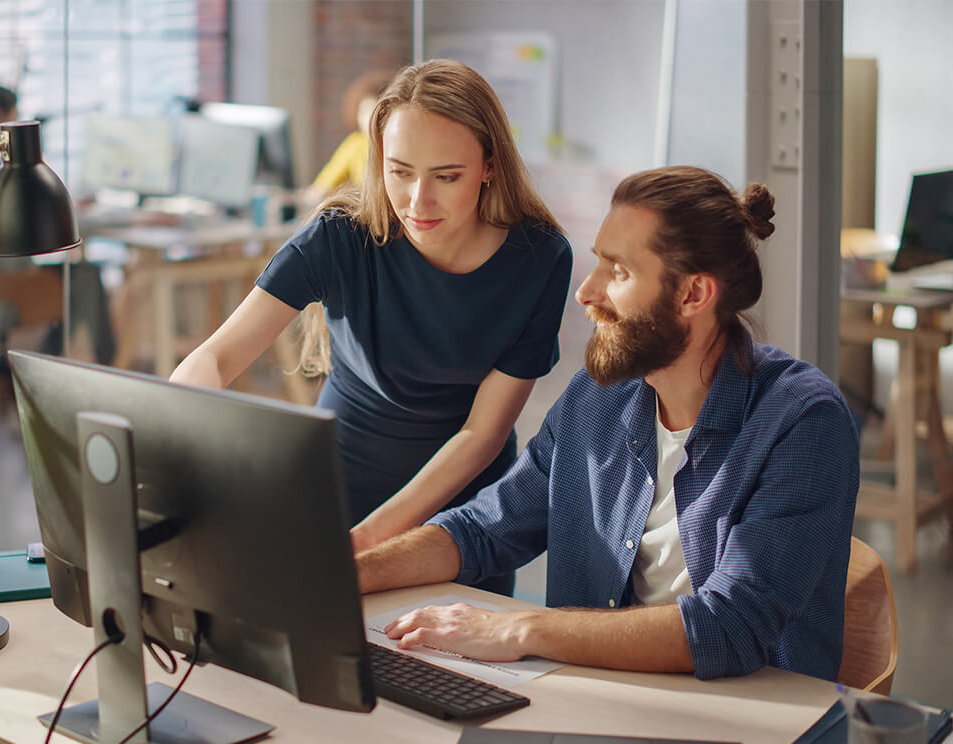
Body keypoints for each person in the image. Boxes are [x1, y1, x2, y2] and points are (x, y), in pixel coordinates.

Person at [356, 165, 860, 682]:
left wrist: (520, 629)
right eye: (597, 262)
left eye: (617, 271)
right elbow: (483, 530)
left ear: (693, 295)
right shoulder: (596, 399)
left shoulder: (802, 422)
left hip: (749, 721)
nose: (586, 293)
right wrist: (349, 572)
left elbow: (731, 627)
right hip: (591, 700)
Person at [170, 60, 573, 595]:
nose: (416, 201)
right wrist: (171, 447)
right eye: (399, 170)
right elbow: (215, 358)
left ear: (489, 166)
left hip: (461, 521)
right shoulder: (339, 237)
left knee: (450, 673)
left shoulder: (540, 258)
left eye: (446, 177)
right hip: (333, 491)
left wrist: (364, 544)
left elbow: (482, 434)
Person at [0, 82, 116, 365]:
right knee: (87, 276)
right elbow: (48, 226)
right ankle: (91, 363)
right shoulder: (0, 170)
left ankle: (49, 360)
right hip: (0, 286)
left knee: (77, 276)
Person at [302, 69, 396, 203]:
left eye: (375, 111)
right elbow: (323, 185)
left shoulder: (397, 147)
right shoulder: (355, 144)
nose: (369, 119)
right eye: (364, 112)